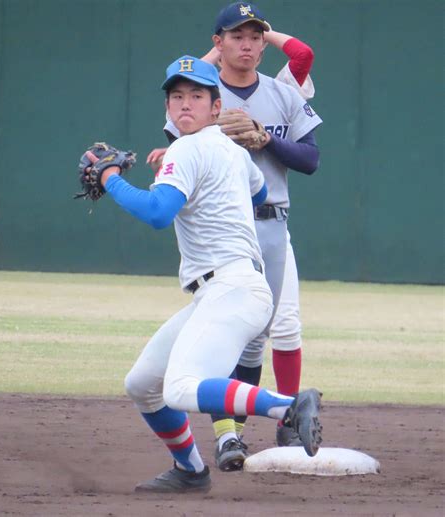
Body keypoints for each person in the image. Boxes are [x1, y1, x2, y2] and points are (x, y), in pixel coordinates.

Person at [85, 55, 323, 493]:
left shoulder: (187, 148)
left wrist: (113, 178)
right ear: (167, 108)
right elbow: (258, 191)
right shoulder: (230, 149)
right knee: (143, 384)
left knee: (179, 389)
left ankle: (288, 406)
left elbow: (158, 214)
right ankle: (191, 471)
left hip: (231, 288)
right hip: (222, 291)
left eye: (197, 95)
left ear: (216, 107)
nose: (185, 104)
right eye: (177, 96)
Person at [147, 2, 323, 471]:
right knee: (229, 333)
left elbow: (310, 160)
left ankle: (279, 415)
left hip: (272, 219)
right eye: (235, 35)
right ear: (218, 42)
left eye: (254, 36)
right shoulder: (200, 92)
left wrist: (266, 140)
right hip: (222, 229)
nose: (247, 44)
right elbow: (182, 145)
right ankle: (231, 435)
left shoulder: (282, 92)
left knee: (265, 333)